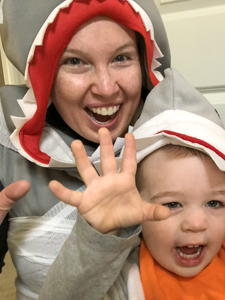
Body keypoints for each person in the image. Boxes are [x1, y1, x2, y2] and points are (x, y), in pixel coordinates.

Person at [0, 0, 171, 298]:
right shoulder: (6, 148)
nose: (106, 88)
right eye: (75, 61)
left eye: (121, 57)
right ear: (45, 74)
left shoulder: (187, 133)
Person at [38, 68, 225, 299]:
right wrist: (96, 240)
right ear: (137, 206)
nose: (197, 224)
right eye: (172, 204)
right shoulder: (127, 278)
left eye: (215, 203)